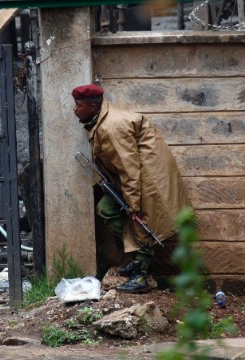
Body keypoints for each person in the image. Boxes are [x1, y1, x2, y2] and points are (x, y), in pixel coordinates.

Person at [72, 83, 193, 293]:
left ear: (92, 106)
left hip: (146, 179)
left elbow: (129, 167)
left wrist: (133, 204)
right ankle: (136, 258)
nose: (74, 109)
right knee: (107, 209)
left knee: (142, 221)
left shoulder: (112, 127)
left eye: (78, 105)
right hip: (133, 177)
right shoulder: (100, 119)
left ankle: (141, 274)